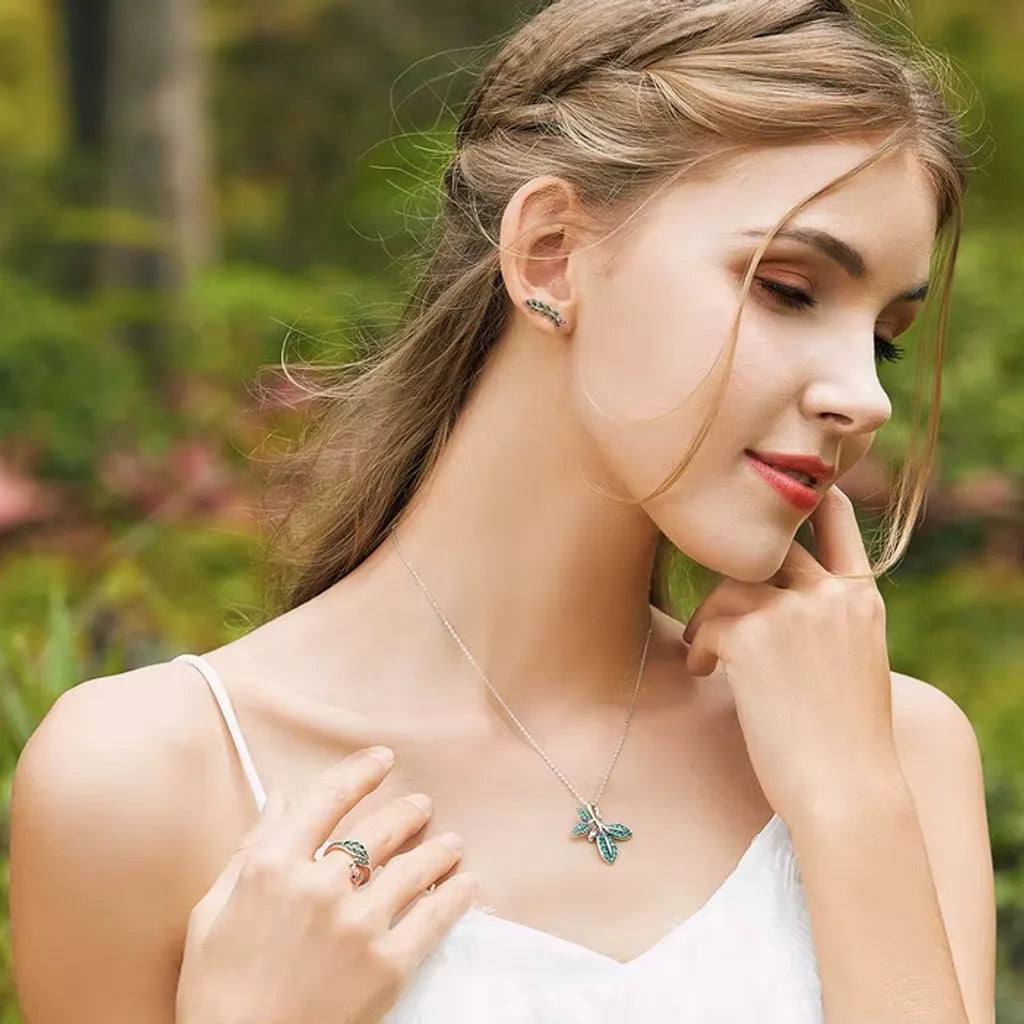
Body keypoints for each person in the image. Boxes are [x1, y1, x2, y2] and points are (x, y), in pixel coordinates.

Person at [11, 1, 996, 1022]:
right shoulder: (148, 778)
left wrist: (848, 805)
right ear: (550, 253)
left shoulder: (897, 754)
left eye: (883, 337)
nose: (864, 396)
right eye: (789, 289)